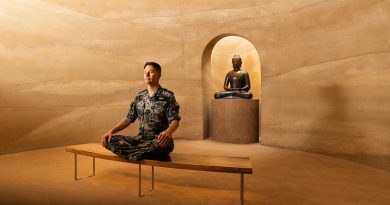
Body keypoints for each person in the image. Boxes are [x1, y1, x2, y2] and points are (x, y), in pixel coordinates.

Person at [101, 62, 181, 161]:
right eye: (145, 72)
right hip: (141, 140)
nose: (147, 75)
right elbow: (128, 118)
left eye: (151, 72)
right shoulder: (139, 97)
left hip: (158, 141)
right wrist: (111, 131)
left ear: (159, 74)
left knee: (161, 145)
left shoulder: (167, 96)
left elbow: (175, 121)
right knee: (110, 140)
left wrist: (168, 132)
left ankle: (135, 154)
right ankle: (140, 154)